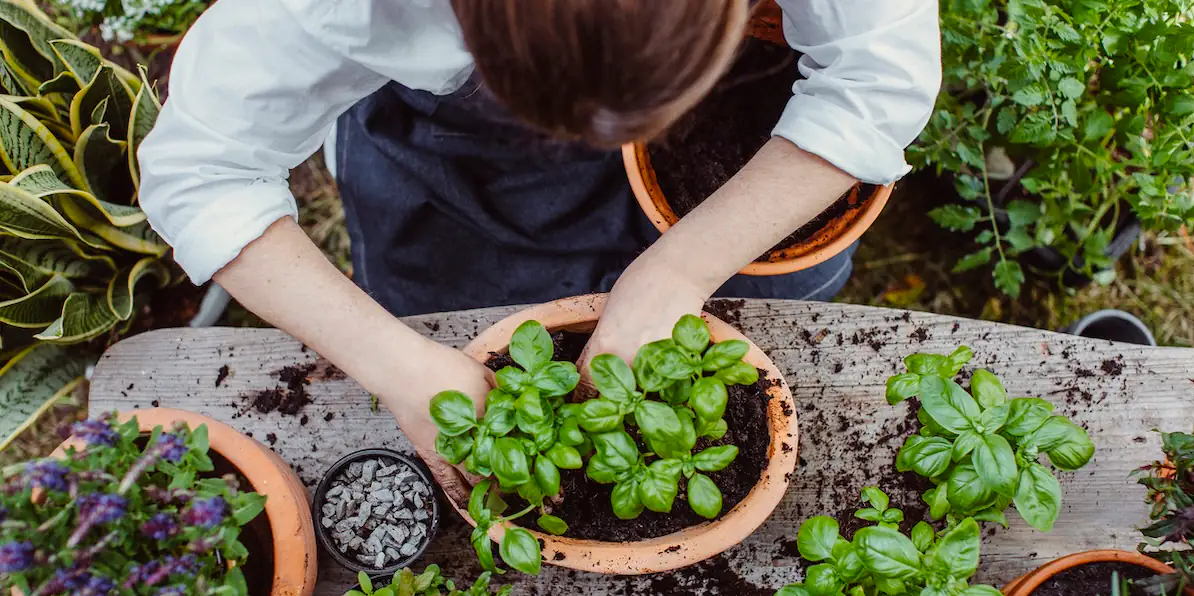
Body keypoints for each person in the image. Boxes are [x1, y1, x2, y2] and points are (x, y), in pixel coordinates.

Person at [137, 0, 941, 501]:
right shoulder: (334, 6)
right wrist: (399, 365)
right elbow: (201, 171)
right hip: (453, 167)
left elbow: (879, 77)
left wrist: (682, 267)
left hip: (724, 175)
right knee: (445, 305)